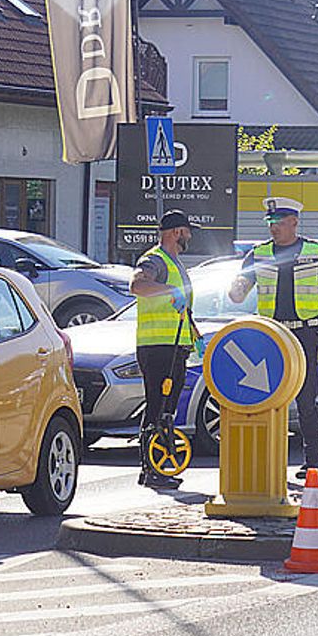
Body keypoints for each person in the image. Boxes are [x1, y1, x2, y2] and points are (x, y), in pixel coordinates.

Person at [228, 197, 318, 479]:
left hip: (304, 333)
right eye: (270, 223)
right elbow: (238, 293)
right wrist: (235, 289)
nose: (274, 228)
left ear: (294, 222)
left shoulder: (315, 252)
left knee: (306, 398)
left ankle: (313, 462)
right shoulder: (258, 254)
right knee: (267, 399)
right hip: (270, 335)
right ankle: (267, 462)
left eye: (279, 223)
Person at [129, 209, 202, 490]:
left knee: (164, 409)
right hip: (158, 347)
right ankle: (151, 469)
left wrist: (193, 333)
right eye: (187, 231)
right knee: (158, 408)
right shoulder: (154, 260)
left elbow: (180, 306)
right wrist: (170, 291)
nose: (190, 236)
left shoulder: (174, 262)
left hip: (172, 346)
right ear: (176, 233)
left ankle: (155, 465)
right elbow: (138, 284)